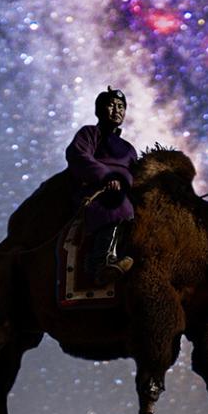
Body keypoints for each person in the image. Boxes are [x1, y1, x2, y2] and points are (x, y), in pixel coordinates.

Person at [66, 85, 137, 281]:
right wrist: (106, 177)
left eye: (121, 107)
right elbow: (78, 155)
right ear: (99, 110)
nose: (117, 111)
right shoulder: (90, 134)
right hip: (98, 191)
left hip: (125, 191)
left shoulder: (129, 149)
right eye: (112, 105)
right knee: (116, 203)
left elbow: (136, 173)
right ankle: (101, 262)